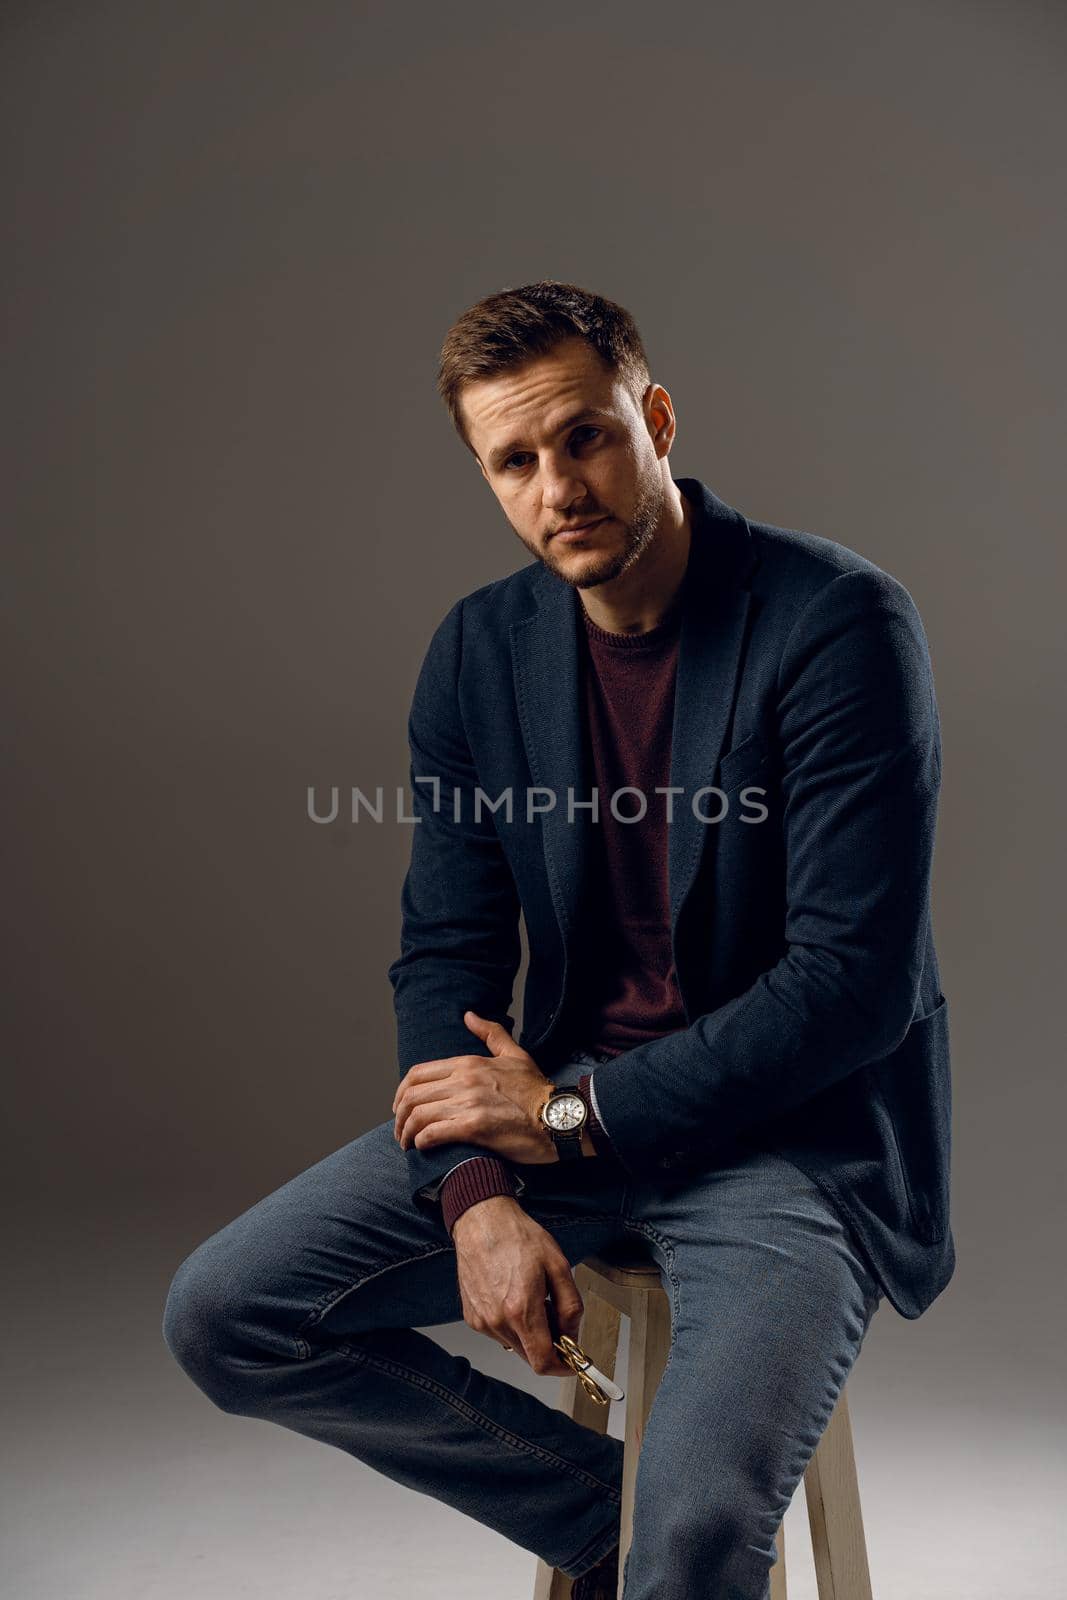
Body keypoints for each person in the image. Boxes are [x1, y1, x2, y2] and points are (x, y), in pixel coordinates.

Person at [162, 280, 954, 1600]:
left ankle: (669, 1530)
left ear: (654, 417)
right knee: (227, 1314)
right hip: (558, 1117)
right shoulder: (479, 652)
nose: (558, 488)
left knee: (701, 1535)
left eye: (584, 436)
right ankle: (607, 1516)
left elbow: (850, 988)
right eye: (513, 461)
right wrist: (476, 1196)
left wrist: (576, 1117)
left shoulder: (836, 627)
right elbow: (447, 948)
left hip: (793, 1145)